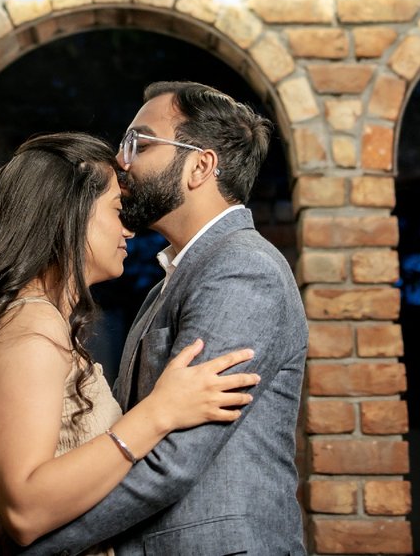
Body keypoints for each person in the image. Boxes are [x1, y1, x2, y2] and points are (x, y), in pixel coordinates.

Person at [0, 132, 261, 556]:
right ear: (69, 214)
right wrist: (159, 412)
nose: (128, 229)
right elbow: (25, 510)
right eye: (117, 210)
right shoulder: (30, 324)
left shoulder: (33, 320)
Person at [19, 81, 308, 556]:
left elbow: (173, 461)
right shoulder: (168, 283)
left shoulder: (243, 269)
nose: (122, 160)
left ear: (201, 166)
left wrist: (20, 545)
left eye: (140, 142)